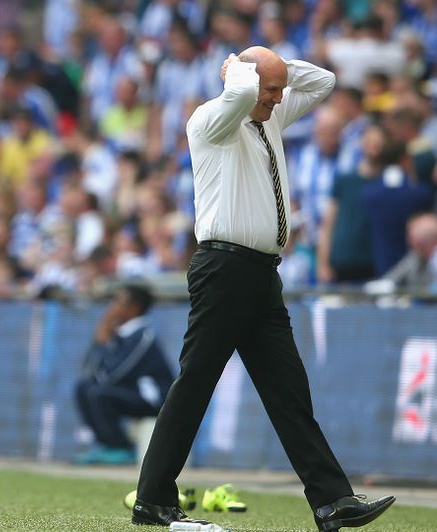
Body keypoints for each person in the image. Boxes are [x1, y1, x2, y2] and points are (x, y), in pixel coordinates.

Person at [130, 47, 396, 531]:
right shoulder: (213, 118)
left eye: (278, 89)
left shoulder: (265, 112)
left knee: (287, 390)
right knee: (196, 382)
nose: (278, 99)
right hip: (224, 268)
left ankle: (331, 500)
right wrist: (243, 74)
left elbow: (324, 82)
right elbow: (243, 94)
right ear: (247, 82)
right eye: (269, 89)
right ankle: (152, 499)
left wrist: (273, 68)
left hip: (260, 274)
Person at [74, 285, 174, 465]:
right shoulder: (120, 335)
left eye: (118, 302)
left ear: (133, 308)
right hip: (130, 393)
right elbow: (90, 373)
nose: (111, 307)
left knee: (96, 392)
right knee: (83, 388)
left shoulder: (142, 336)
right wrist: (101, 341)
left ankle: (121, 448)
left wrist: (103, 344)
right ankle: (106, 446)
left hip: (153, 399)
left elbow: (111, 376)